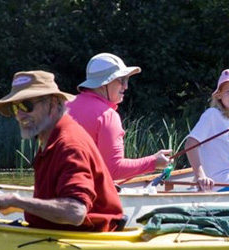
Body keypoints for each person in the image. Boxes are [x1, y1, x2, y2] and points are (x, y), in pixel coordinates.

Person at [0, 70, 124, 232]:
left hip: (81, 239)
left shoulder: (70, 145)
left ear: (53, 103)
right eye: (15, 108)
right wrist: (13, 206)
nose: (20, 115)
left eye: (26, 105)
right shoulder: (51, 139)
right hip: (53, 234)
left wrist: (15, 201)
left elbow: (75, 212)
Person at [66, 53, 172, 181]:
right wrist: (153, 162)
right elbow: (113, 169)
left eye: (126, 80)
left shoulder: (64, 107)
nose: (126, 86)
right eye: (121, 80)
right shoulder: (107, 116)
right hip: (79, 195)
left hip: (49, 190)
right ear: (102, 83)